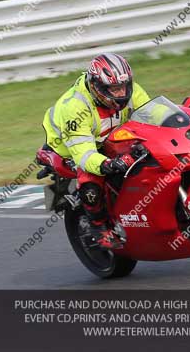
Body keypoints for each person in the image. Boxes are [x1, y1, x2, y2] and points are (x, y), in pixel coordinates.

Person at [36, 53, 151, 249]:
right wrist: (108, 164)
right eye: (114, 89)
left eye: (124, 87)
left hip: (108, 137)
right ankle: (98, 226)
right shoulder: (75, 107)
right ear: (97, 87)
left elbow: (151, 115)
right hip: (71, 147)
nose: (121, 93)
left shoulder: (131, 91)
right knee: (92, 178)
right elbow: (84, 155)